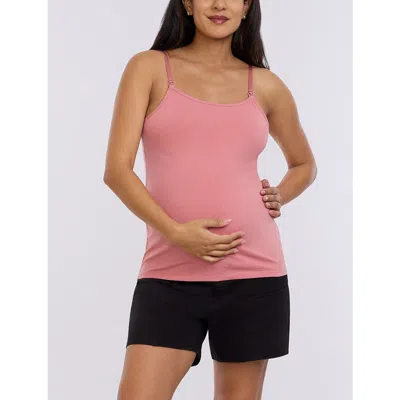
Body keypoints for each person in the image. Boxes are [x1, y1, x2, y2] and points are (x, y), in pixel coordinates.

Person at [103, 1, 317, 399]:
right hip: (169, 275)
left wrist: (279, 195)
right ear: (187, 3)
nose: (219, 4)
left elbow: (304, 164)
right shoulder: (148, 68)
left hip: (255, 274)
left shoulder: (266, 85)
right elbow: (117, 171)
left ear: (246, 6)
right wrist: (176, 233)